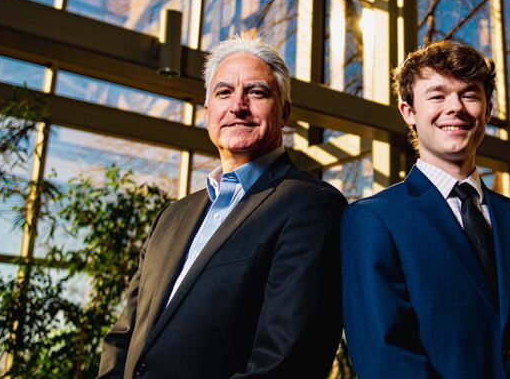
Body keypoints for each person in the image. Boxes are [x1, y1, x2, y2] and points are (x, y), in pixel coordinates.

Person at [98, 35, 347, 379]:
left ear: (284, 111)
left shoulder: (311, 206)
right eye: (223, 92)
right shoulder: (172, 217)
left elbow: (286, 362)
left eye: (257, 92)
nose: (237, 106)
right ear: (207, 112)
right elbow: (124, 335)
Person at [341, 40, 510, 379]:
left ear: (486, 111)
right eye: (437, 95)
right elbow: (387, 358)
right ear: (409, 112)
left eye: (469, 94)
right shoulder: (373, 220)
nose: (455, 107)